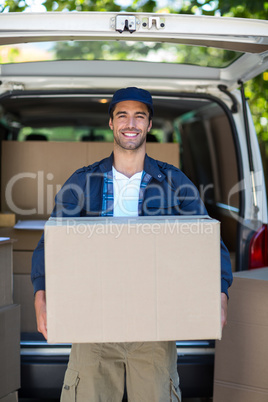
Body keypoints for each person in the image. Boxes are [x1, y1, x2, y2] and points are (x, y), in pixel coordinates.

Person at [32, 87, 233, 402]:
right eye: (122, 115)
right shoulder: (83, 182)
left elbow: (207, 241)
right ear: (111, 123)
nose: (131, 123)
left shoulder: (174, 182)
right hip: (92, 323)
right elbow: (53, 242)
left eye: (139, 116)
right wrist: (41, 297)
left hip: (154, 325)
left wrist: (220, 292)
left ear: (149, 125)